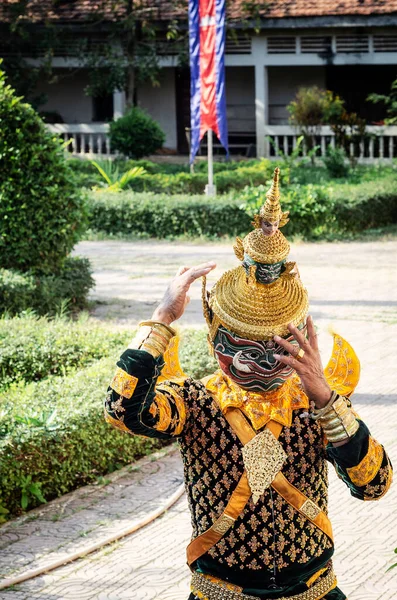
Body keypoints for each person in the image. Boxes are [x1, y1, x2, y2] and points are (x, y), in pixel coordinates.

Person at [104, 168, 392, 600]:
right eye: (242, 350)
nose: (260, 367)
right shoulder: (194, 402)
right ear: (213, 334)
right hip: (220, 591)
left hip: (314, 591)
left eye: (277, 351)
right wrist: (161, 319)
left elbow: (375, 485)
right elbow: (121, 411)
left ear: (300, 342)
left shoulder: (315, 404)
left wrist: (326, 400)